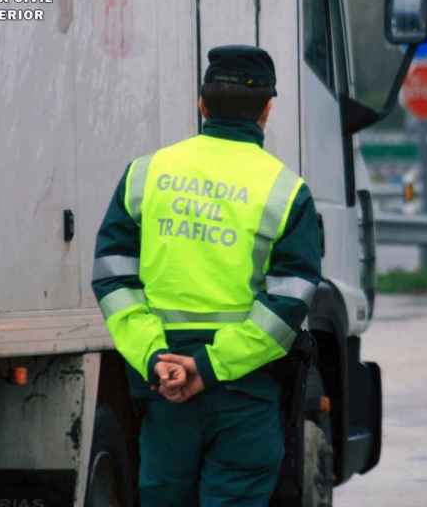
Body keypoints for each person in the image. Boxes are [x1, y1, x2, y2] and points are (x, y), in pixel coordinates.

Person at [91, 45, 322, 506]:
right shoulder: (285, 191)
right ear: (267, 110)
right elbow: (289, 304)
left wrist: (156, 357)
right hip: (243, 391)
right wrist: (210, 368)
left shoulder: (146, 175)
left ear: (202, 104)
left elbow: (112, 278)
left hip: (166, 386)